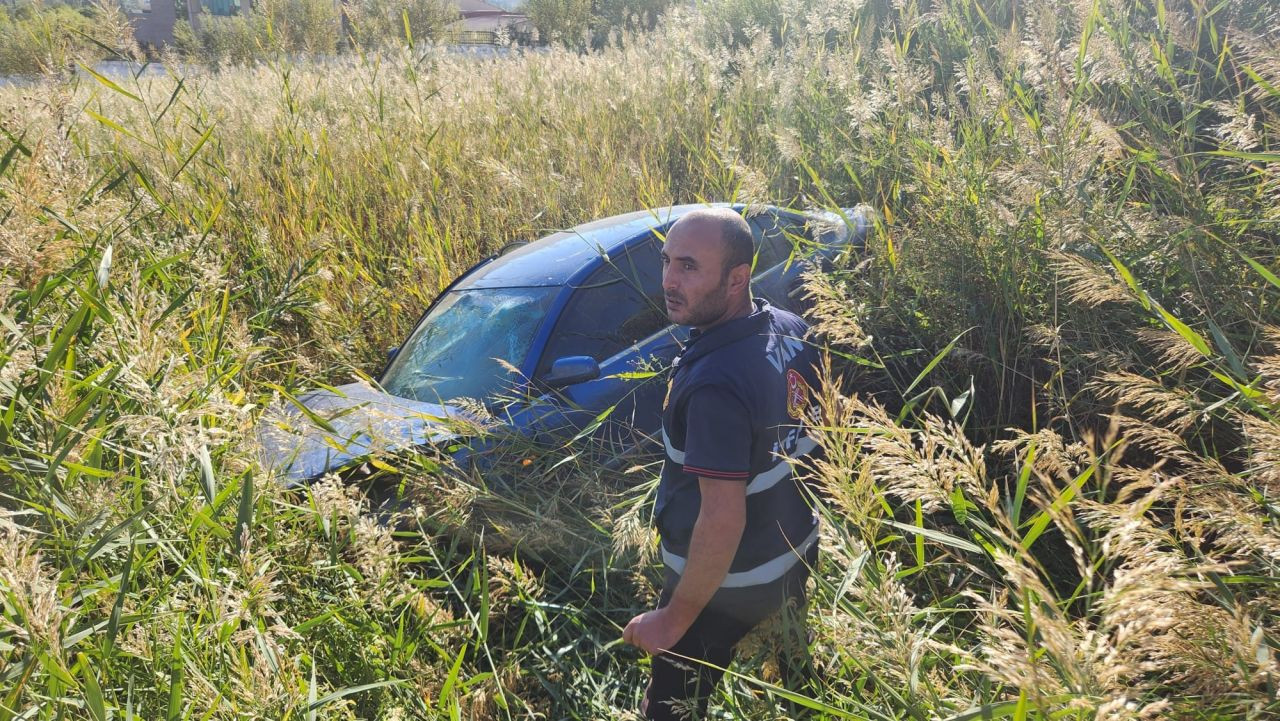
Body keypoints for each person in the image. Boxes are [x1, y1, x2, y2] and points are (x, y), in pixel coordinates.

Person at [622, 208, 822, 720]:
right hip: (794, 550)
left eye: (689, 267)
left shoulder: (715, 386)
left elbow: (721, 517)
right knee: (797, 664)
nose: (668, 280)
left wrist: (672, 619)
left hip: (727, 584)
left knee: (673, 706)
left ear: (737, 278)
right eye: (666, 261)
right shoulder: (792, 329)